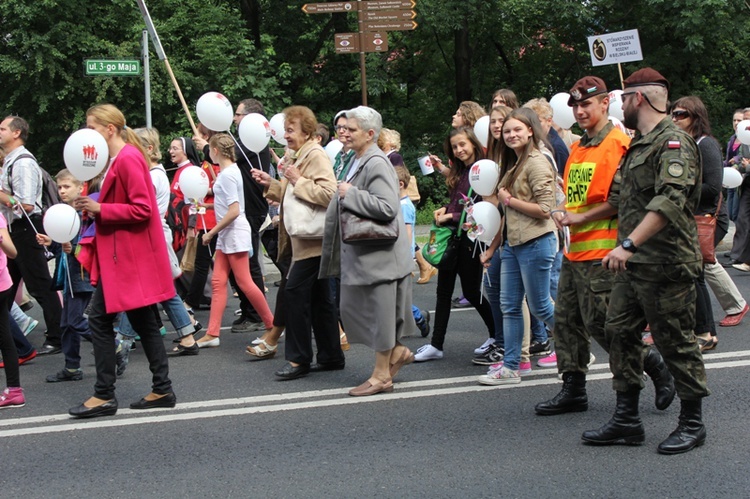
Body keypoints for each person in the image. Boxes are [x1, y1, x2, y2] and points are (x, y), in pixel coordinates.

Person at [582, 68, 709, 455]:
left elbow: (670, 201)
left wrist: (629, 245)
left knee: (676, 343)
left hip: (666, 263)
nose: (620, 105)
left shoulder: (673, 143)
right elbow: (623, 198)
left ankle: (692, 423)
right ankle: (627, 419)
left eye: (623, 98)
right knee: (617, 331)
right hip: (634, 264)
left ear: (639, 99)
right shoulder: (638, 145)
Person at [534, 76, 674, 415]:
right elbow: (576, 195)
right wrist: (563, 211)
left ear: (604, 104)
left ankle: (652, 364)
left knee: (604, 325)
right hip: (574, 249)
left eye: (586, 105)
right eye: (576, 106)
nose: (580, 112)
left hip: (604, 252)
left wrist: (579, 219)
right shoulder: (581, 146)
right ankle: (573, 387)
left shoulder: (618, 143)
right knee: (566, 323)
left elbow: (619, 199)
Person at [70, 103, 176, 418]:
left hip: (128, 257)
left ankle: (104, 394)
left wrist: (101, 209)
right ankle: (162, 388)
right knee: (143, 321)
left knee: (99, 319)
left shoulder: (128, 157)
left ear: (109, 129)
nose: (87, 134)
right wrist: (94, 206)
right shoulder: (119, 158)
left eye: (91, 127)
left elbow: (143, 209)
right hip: (125, 256)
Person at [320, 106, 415, 396]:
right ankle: (396, 352)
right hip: (366, 257)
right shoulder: (356, 158)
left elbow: (387, 207)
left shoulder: (376, 162)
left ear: (370, 134)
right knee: (356, 310)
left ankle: (381, 374)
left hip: (381, 258)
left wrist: (352, 194)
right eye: (343, 127)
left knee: (380, 315)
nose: (344, 132)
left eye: (351, 128)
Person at [250, 106, 343, 379]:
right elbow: (295, 194)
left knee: (294, 295)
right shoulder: (300, 154)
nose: (286, 136)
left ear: (307, 132)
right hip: (308, 240)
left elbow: (329, 194)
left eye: (291, 130)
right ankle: (330, 356)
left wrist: (297, 179)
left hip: (313, 241)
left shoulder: (315, 155)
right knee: (320, 300)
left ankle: (299, 360)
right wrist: (272, 184)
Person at [477, 109, 556, 385]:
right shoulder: (515, 163)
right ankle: (511, 367)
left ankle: (578, 341)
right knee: (509, 306)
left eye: (517, 130)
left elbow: (546, 209)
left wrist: (509, 200)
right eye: (507, 131)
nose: (511, 135)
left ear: (531, 131)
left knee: (541, 307)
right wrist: (492, 248)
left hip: (536, 243)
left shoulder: (536, 162)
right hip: (512, 245)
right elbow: (508, 217)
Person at [414, 127, 495, 362]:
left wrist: (452, 215)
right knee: (443, 292)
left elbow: (483, 209)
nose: (459, 150)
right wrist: (446, 209)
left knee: (472, 291)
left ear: (473, 143)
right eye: (455, 147)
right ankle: (436, 345)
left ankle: (496, 335)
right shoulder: (461, 170)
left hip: (471, 241)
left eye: (462, 145)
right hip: (454, 239)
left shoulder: (483, 169)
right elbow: (460, 202)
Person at [194, 133, 273, 349]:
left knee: (244, 282)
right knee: (219, 282)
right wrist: (208, 208)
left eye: (210, 149)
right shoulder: (229, 172)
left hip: (233, 232)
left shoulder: (228, 174)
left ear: (216, 151)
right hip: (230, 233)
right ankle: (212, 333)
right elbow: (228, 205)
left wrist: (211, 233)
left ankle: (271, 325)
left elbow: (235, 210)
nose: (208, 153)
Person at [671, 96, 732, 351]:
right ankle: (703, 331)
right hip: (690, 219)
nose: (674, 119)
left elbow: (713, 187)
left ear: (695, 117)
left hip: (706, 219)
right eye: (672, 114)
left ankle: (706, 333)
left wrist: (678, 188)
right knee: (689, 276)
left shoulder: (705, 144)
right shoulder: (683, 144)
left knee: (694, 276)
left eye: (680, 114)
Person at [0, 116, 64, 355]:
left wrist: (1, 196)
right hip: (15, 230)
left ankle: (57, 337)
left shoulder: (24, 162)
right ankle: (12, 339)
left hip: (26, 228)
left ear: (16, 133)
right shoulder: (11, 161)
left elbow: (26, 205)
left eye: (3, 128)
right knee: (6, 287)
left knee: (40, 286)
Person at [36, 170, 94, 382]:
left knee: (76, 321)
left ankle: (113, 344)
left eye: (67, 186)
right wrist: (51, 242)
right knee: (66, 324)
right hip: (67, 276)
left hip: (81, 278)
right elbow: (63, 247)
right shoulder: (62, 215)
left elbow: (89, 247)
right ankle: (72, 367)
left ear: (80, 188)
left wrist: (74, 249)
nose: (62, 191)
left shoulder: (82, 216)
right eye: (59, 187)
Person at [231, 98, 272, 334]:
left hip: (252, 209)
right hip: (244, 207)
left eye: (238, 114)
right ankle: (248, 310)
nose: (235, 119)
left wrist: (206, 146)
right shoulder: (244, 139)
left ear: (250, 119)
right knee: (236, 264)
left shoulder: (252, 138)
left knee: (249, 262)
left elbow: (228, 154)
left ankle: (257, 315)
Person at [395, 166, 430, 338]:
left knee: (398, 297)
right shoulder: (399, 203)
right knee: (396, 296)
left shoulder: (405, 206)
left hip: (402, 258)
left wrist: (407, 258)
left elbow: (408, 233)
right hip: (397, 256)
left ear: (400, 184)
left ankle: (419, 317)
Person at [0, 211, 23, 408]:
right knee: (5, 338)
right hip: (3, 285)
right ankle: (14, 391)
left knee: (5, 339)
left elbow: (12, 252)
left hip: (1, 286)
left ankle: (14, 390)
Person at [723, 109, 746, 222]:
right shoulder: (732, 139)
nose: (736, 123)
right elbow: (727, 160)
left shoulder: (746, 139)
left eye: (739, 120)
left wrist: (736, 160)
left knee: (736, 213)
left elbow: (743, 157)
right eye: (734, 120)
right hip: (730, 178)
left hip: (741, 179)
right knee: (730, 213)